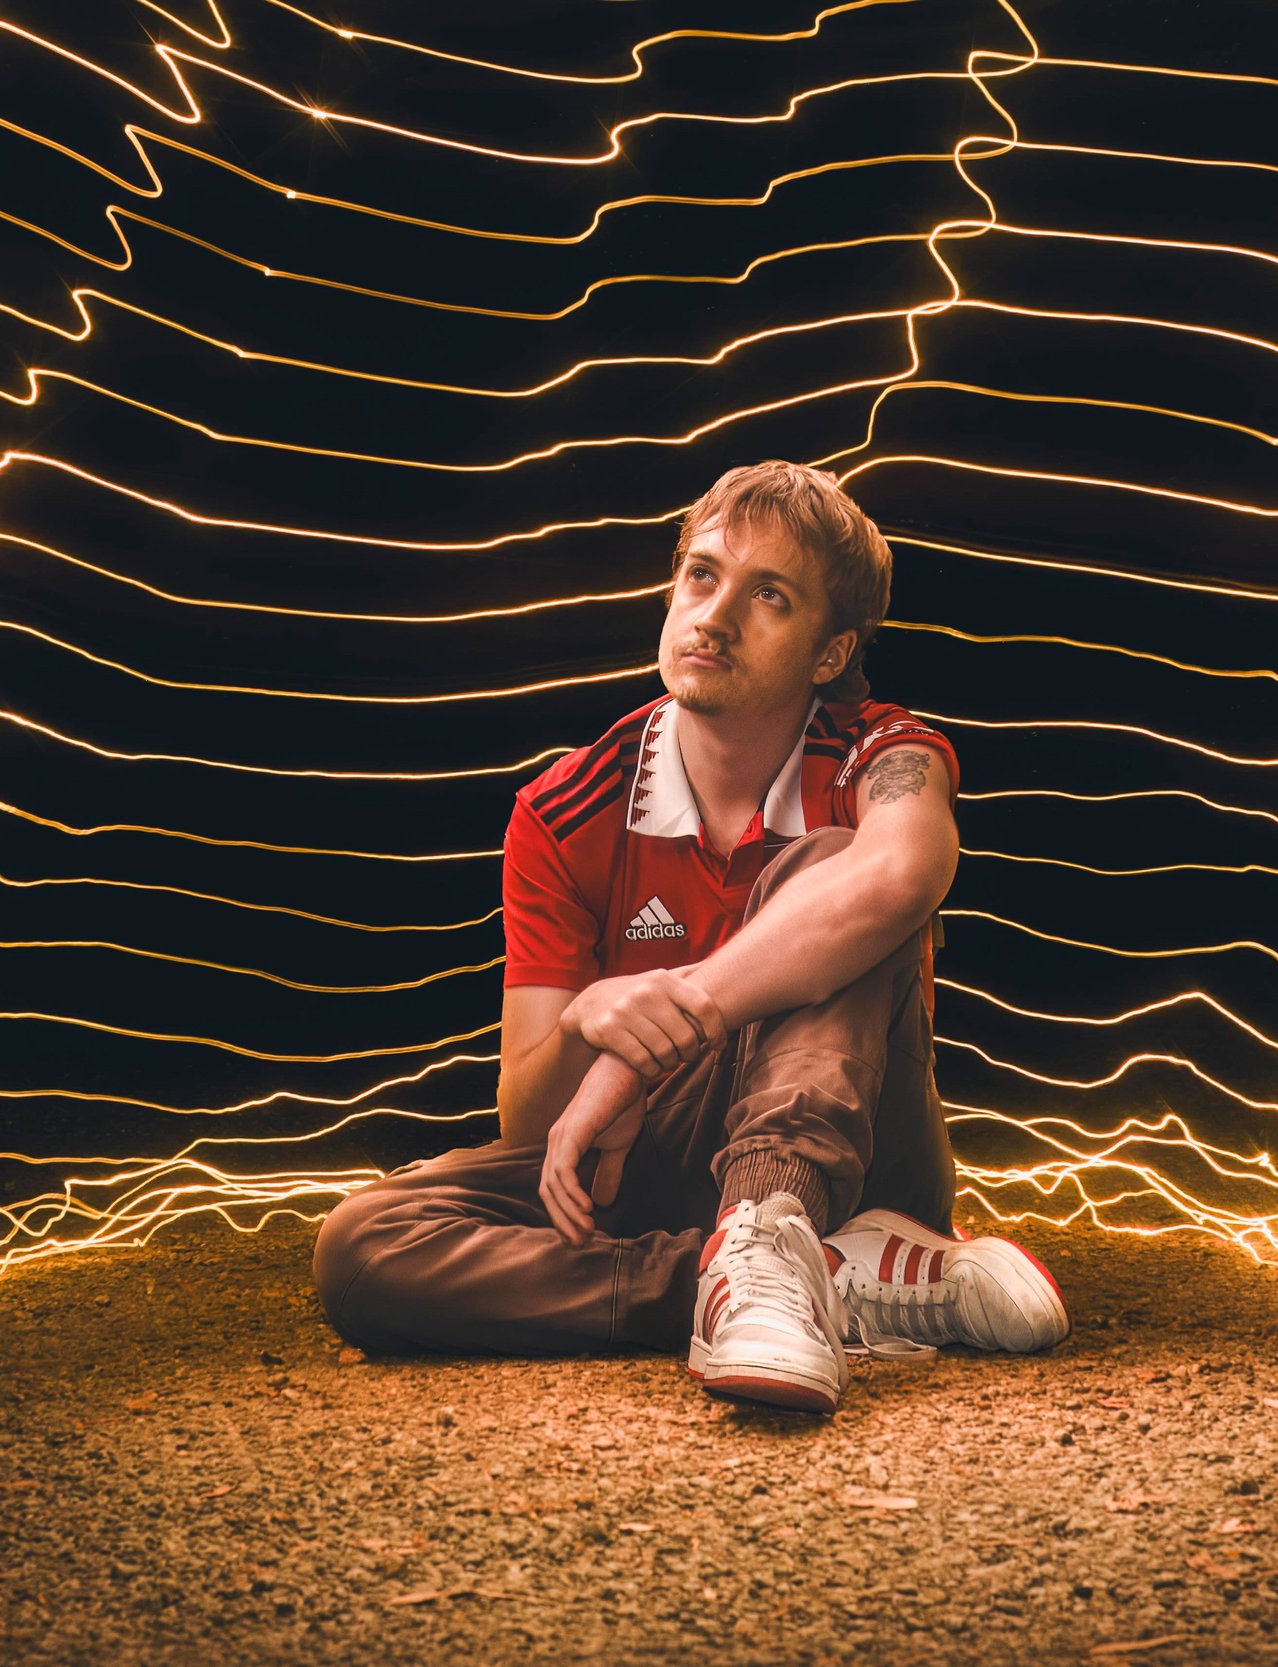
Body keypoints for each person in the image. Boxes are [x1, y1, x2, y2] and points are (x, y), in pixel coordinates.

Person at [313, 460, 1069, 1413]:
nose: (713, 616)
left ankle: (774, 1219)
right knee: (364, 1247)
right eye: (701, 576)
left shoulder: (885, 755)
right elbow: (532, 1127)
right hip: (660, 1169)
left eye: (769, 596)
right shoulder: (564, 807)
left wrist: (687, 1012)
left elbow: (901, 872)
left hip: (863, 1152)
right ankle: (798, 1281)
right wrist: (591, 1025)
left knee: (832, 861)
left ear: (829, 653)